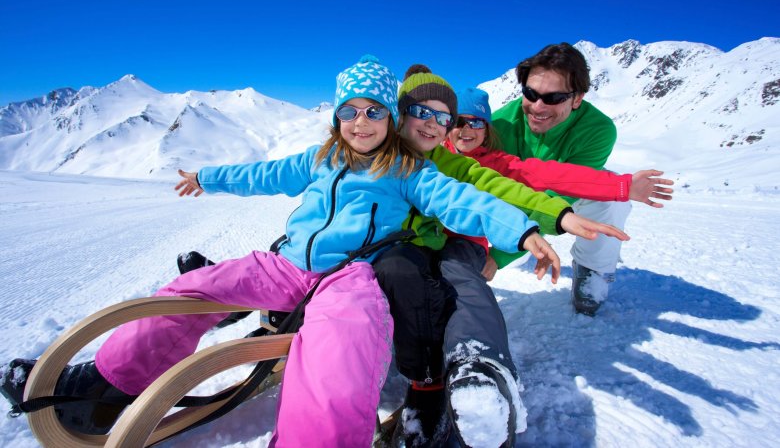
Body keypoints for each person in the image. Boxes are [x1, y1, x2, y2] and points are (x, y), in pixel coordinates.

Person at [0, 55, 563, 447]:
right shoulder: (318, 159)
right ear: (337, 116)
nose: (361, 121)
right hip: (287, 264)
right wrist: (208, 177)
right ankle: (107, 383)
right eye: (350, 110)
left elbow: (463, 200)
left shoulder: (408, 168)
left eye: (373, 111)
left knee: (340, 357)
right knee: (197, 288)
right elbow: (262, 173)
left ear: (389, 119)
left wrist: (521, 230)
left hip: (353, 277)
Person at [372, 66, 630, 447]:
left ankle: (481, 367)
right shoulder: (407, 150)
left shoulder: (471, 164)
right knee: (400, 274)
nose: (461, 129)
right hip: (407, 242)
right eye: (454, 121)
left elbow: (529, 185)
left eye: (472, 122)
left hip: (464, 242)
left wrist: (562, 215)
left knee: (459, 278)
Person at [445, 86, 674, 281]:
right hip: (424, 235)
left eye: (476, 123)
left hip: (464, 243)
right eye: (459, 121)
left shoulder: (498, 163)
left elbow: (553, 175)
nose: (466, 130)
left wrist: (620, 186)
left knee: (459, 285)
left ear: (487, 129)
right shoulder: (432, 155)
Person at [491, 42, 649, 317]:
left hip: (564, 192)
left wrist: (498, 258)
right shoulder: (501, 124)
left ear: (577, 99)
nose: (537, 107)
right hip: (515, 192)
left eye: (553, 98)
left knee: (610, 197)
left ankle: (593, 270)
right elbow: (486, 189)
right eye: (530, 94)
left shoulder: (597, 130)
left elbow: (563, 197)